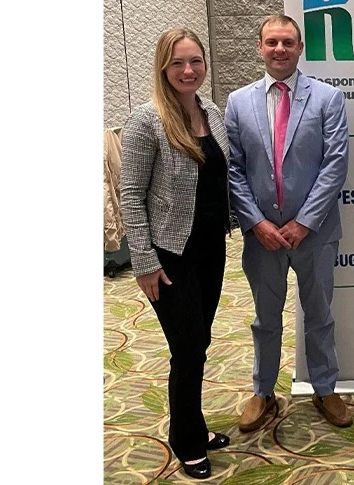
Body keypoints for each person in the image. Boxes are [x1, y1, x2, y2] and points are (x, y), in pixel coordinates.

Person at [225, 14, 352, 433]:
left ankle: (324, 388)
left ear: (300, 49)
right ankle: (263, 391)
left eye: (288, 42)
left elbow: (335, 164)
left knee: (319, 313)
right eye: (272, 42)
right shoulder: (237, 102)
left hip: (313, 233)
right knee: (265, 317)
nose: (280, 49)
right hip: (262, 236)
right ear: (259, 47)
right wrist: (256, 222)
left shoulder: (328, 98)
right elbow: (233, 169)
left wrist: (305, 222)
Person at [120, 28, 232, 479]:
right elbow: (130, 195)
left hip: (211, 249)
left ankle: (193, 425)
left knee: (199, 344)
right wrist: (143, 263)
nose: (188, 71)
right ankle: (187, 441)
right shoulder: (146, 120)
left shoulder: (213, 113)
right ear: (163, 69)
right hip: (169, 257)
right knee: (187, 349)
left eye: (195, 61)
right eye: (177, 63)